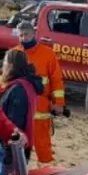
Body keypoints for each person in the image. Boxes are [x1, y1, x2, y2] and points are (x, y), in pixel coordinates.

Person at [14, 21, 64, 164]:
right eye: (21, 35)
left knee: (43, 146)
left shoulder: (47, 54)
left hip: (41, 107)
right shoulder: (15, 54)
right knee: (21, 146)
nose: (23, 38)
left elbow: (56, 80)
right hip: (21, 109)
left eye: (26, 35)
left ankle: (46, 172)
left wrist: (59, 103)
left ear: (34, 34)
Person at [0, 49, 43, 162]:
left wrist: (7, 155)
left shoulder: (18, 90)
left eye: (4, 64)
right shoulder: (24, 84)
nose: (2, 68)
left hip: (12, 152)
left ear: (11, 66)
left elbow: (14, 126)